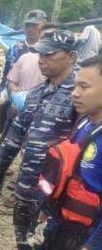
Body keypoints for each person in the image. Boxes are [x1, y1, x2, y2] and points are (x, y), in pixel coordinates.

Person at [0, 29, 80, 250]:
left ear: (71, 57)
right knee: (23, 237)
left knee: (48, 241)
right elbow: (16, 132)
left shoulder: (80, 95)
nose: (41, 60)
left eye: (49, 55)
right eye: (40, 55)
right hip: (28, 180)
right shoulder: (36, 93)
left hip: (58, 188)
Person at [37, 55, 102, 250]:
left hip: (88, 235)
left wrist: (92, 246)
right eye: (75, 86)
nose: (74, 93)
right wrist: (47, 211)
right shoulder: (84, 122)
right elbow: (67, 173)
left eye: (84, 86)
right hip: (61, 224)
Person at [2, 9, 47, 85]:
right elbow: (6, 72)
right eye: (27, 25)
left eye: (34, 25)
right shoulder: (15, 48)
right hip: (15, 91)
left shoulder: (49, 50)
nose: (30, 29)